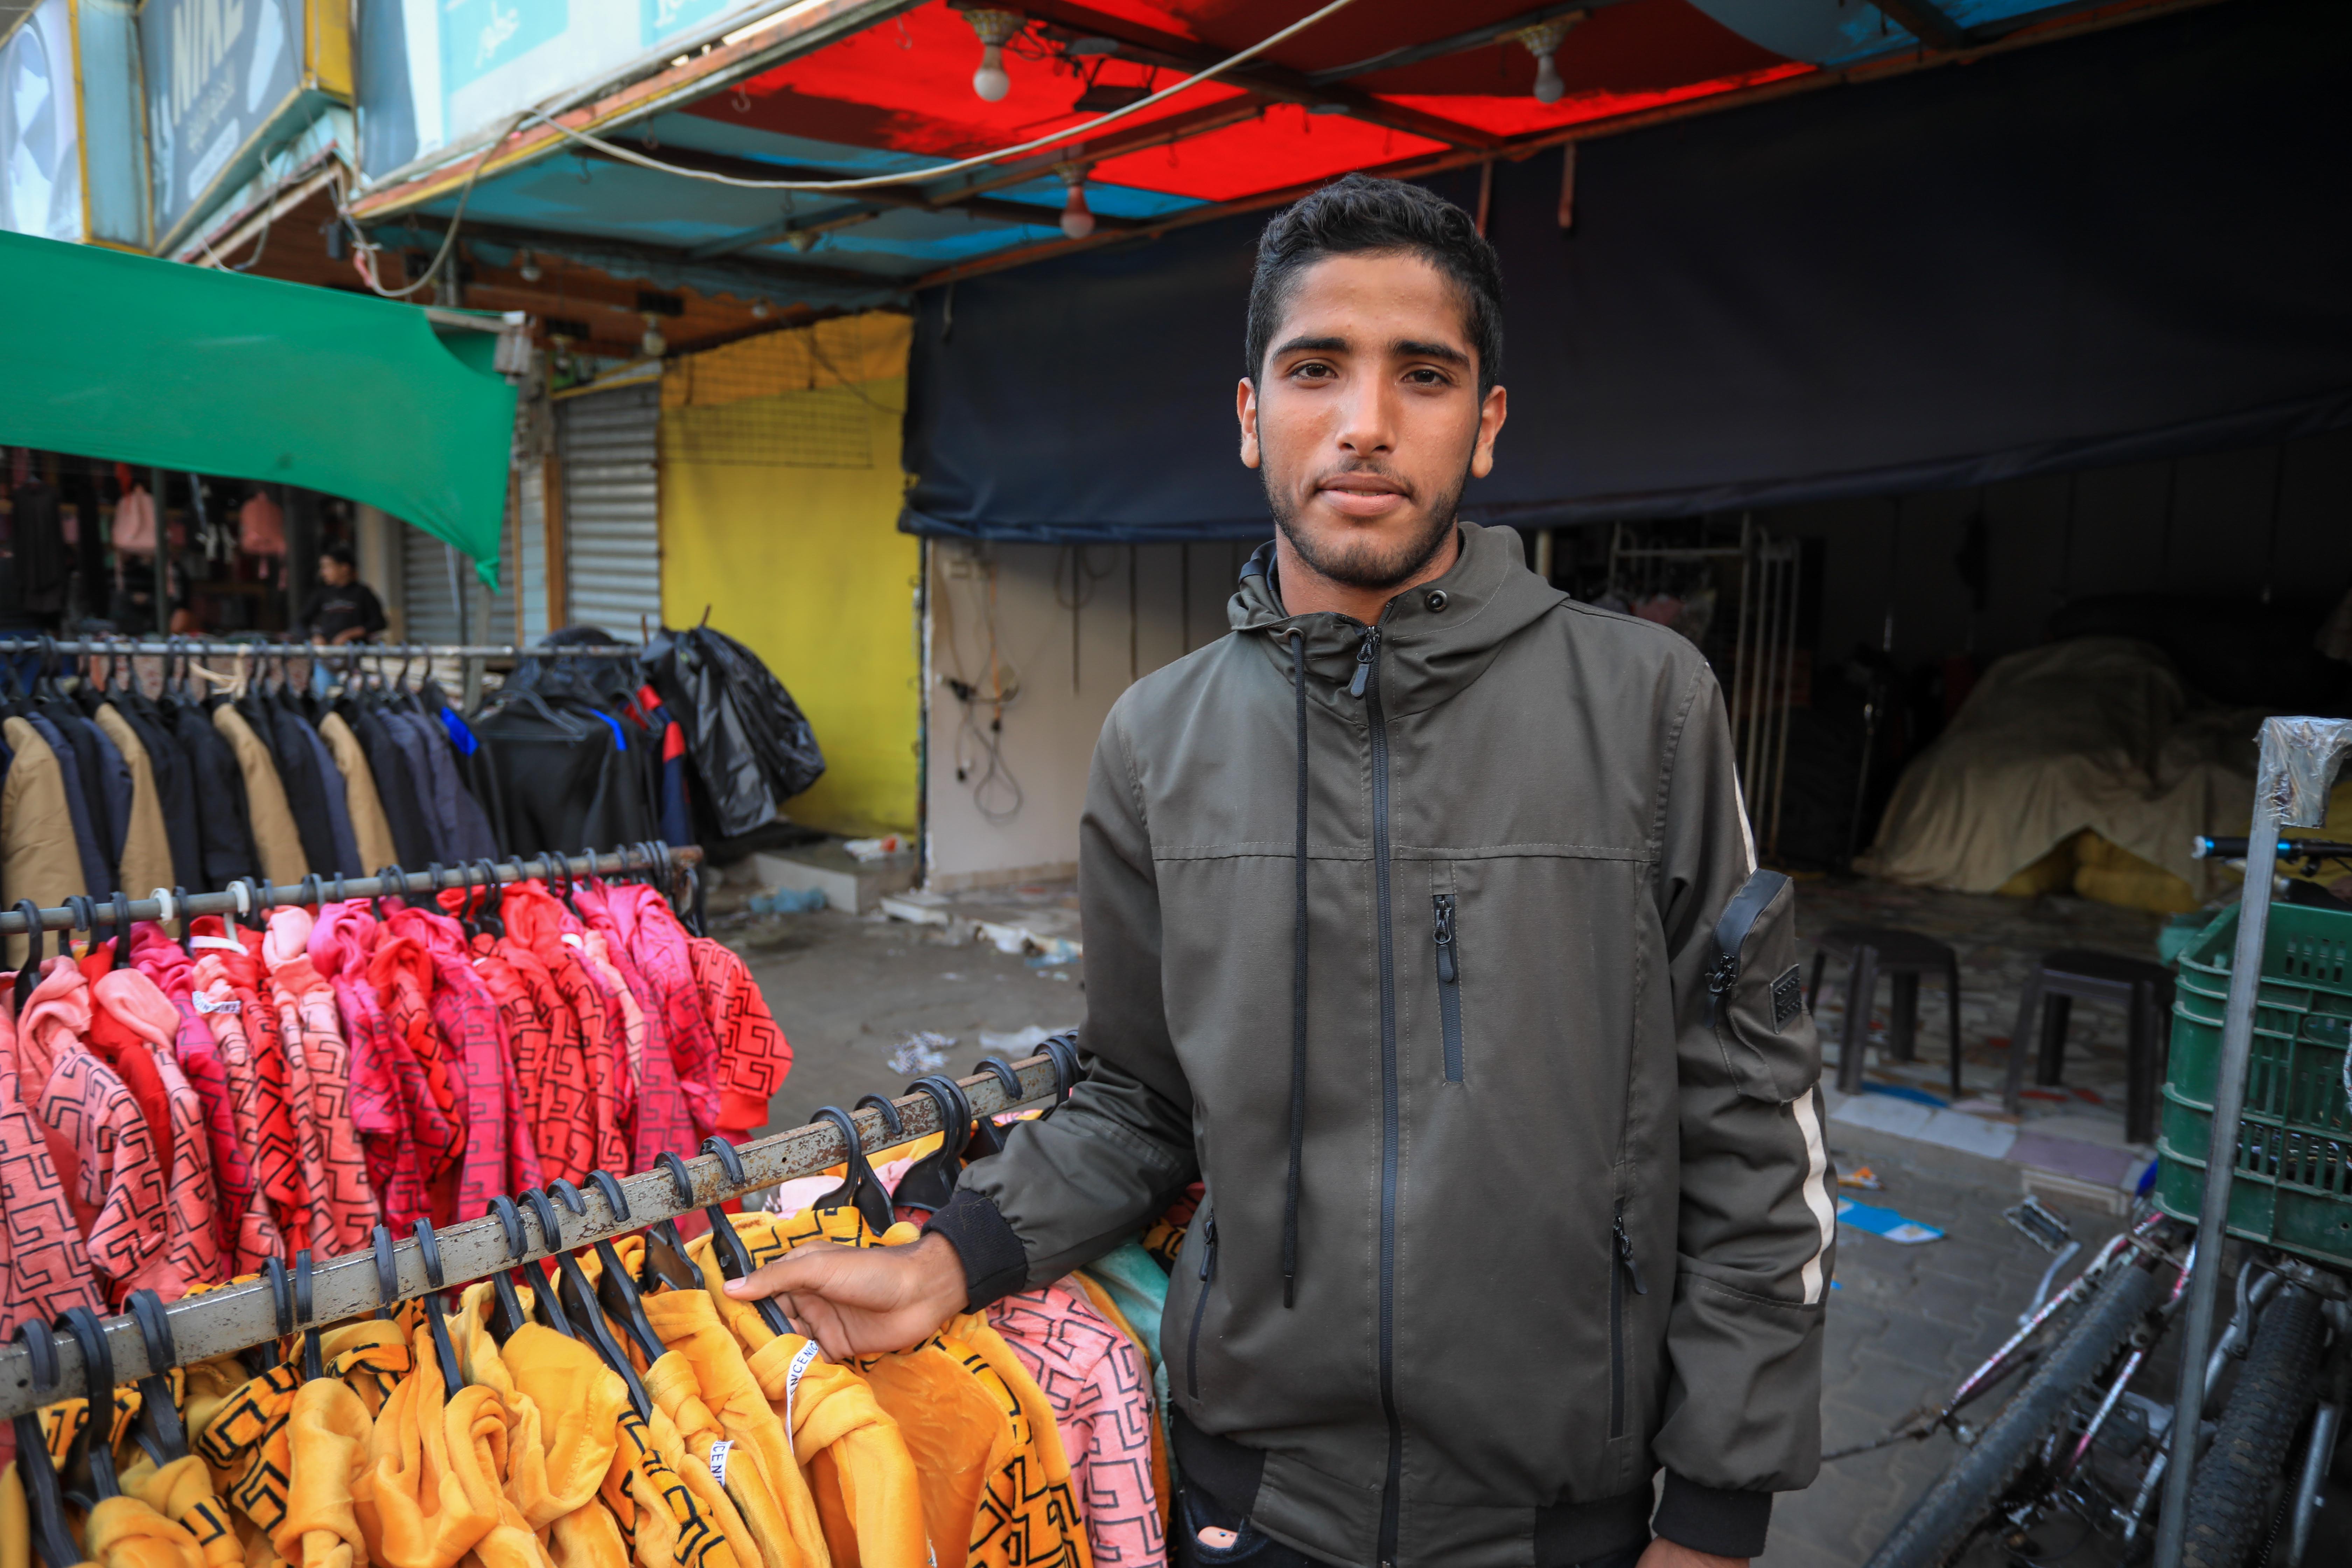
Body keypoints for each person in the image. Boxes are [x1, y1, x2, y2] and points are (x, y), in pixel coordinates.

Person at [729, 174, 1832, 1568]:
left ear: (1486, 425)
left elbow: (1752, 1131)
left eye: (1422, 375)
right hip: (1251, 1504)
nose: (1365, 423)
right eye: (1316, 369)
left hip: (1566, 1520)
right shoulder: (1156, 742)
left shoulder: (1647, 706)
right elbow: (1140, 1098)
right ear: (1251, 412)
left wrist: (1719, 1514)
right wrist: (947, 1256)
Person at [296, 544, 386, 645]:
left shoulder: (362, 592)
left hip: (356, 651)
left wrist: (350, 634)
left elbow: (379, 623)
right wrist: (314, 637)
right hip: (328, 652)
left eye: (328, 567)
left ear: (344, 568)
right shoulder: (323, 593)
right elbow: (302, 621)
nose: (323, 573)